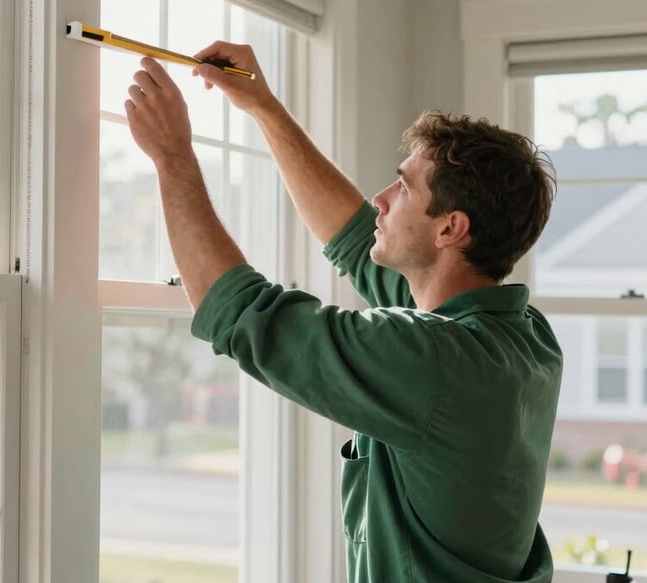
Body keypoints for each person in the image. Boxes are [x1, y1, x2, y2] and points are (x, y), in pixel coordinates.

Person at [124, 41, 562, 583]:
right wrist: (263, 105)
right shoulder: (522, 337)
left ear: (451, 228)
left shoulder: (436, 361)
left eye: (402, 187)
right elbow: (355, 238)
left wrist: (172, 157)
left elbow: (240, 314)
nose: (379, 198)